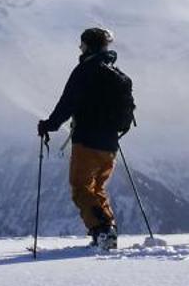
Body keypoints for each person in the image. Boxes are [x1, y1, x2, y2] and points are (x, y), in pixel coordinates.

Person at [38, 26, 135, 249]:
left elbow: (67, 103)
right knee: (97, 188)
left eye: (82, 44)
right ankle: (106, 230)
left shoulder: (84, 71)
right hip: (111, 143)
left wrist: (49, 125)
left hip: (87, 141)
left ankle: (103, 231)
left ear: (88, 45)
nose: (80, 48)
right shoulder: (115, 73)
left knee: (81, 187)